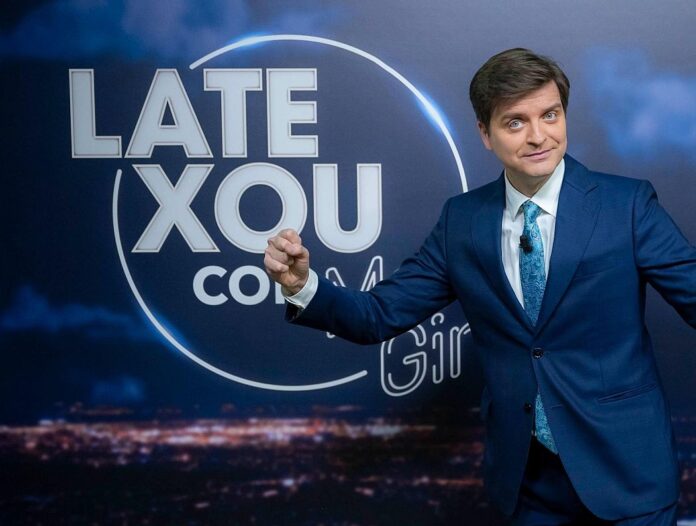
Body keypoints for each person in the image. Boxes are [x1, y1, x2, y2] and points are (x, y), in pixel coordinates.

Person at [263, 48, 696, 525]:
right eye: (515, 122)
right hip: (528, 485)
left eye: (550, 115)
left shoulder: (627, 205)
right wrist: (302, 285)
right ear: (485, 134)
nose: (539, 136)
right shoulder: (462, 221)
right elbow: (379, 315)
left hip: (629, 475)